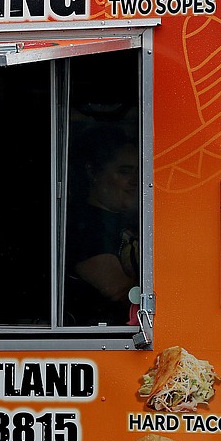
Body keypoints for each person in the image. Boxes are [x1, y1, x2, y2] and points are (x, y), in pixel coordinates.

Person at [64, 126, 141, 326]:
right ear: (94, 173)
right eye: (124, 172)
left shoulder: (126, 221)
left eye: (139, 172)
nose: (135, 181)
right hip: (102, 338)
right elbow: (118, 289)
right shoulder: (84, 226)